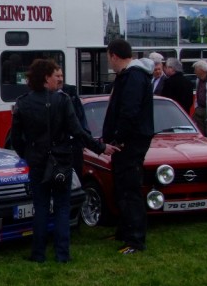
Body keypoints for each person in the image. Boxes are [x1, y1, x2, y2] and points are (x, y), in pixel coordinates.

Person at [10, 58, 114, 263]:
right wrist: (100, 148)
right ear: (46, 78)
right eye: (55, 76)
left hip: (37, 161)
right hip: (61, 160)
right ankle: (62, 254)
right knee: (62, 207)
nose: (59, 80)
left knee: (40, 207)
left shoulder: (23, 102)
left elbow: (16, 138)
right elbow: (78, 131)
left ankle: (38, 253)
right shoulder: (63, 100)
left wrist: (27, 155)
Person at [102, 39, 155, 255]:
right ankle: (123, 231)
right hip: (128, 140)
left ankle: (135, 239)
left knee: (130, 189)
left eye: (108, 58)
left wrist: (118, 138)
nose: (109, 63)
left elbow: (129, 110)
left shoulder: (134, 76)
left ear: (114, 55)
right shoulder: (129, 76)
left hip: (130, 142)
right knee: (121, 187)